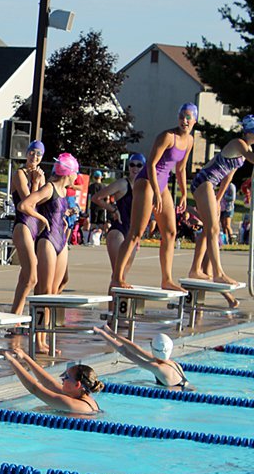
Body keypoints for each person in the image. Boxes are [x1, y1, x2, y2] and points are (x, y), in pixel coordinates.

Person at [112, 103, 197, 291]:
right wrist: (156, 193)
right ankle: (117, 277)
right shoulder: (167, 136)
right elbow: (151, 164)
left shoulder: (189, 141)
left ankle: (167, 280)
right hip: (147, 182)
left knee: (170, 232)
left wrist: (184, 194)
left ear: (194, 121)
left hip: (162, 184)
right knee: (136, 232)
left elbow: (181, 169)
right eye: (182, 116)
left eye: (188, 117)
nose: (184, 120)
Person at [18, 153, 80, 354]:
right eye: (75, 173)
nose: (76, 177)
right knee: (43, 293)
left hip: (61, 241)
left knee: (54, 294)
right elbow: (25, 204)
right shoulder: (50, 188)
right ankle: (37, 339)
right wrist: (41, 219)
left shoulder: (63, 191)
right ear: (68, 173)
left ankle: (44, 338)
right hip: (47, 242)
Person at [188, 115, 254, 284]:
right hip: (205, 181)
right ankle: (218, 273)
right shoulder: (239, 144)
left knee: (208, 229)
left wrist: (218, 199)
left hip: (210, 184)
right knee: (214, 229)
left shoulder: (244, 150)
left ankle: (195, 269)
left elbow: (228, 177)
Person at [91, 153, 144, 290]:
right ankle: (111, 311)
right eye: (132, 164)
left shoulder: (145, 188)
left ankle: (115, 309)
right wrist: (113, 210)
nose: (135, 168)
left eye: (139, 165)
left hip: (132, 234)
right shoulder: (122, 184)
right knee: (117, 276)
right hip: (118, 231)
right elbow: (97, 198)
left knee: (122, 277)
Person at [10, 140, 46, 316]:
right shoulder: (20, 174)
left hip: (34, 228)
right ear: (26, 153)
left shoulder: (40, 176)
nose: (34, 157)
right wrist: (36, 183)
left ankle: (15, 316)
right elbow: (28, 202)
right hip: (23, 224)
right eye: (32, 153)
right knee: (32, 276)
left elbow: (44, 202)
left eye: (38, 154)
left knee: (26, 276)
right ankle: (15, 315)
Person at [4, 349, 103, 414]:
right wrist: (26, 357)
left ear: (77, 384)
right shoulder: (80, 396)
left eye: (67, 377)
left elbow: (35, 389)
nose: (62, 379)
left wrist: (12, 361)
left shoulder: (71, 404)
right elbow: (50, 383)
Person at [94, 325, 191, 390]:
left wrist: (102, 334)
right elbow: (136, 349)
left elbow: (126, 352)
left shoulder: (158, 368)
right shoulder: (172, 363)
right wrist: (111, 333)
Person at [220, 181, 237, 246]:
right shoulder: (223, 185)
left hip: (228, 208)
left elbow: (233, 198)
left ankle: (232, 241)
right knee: (223, 226)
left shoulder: (231, 186)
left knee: (227, 225)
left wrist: (224, 196)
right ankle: (225, 241)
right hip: (222, 208)